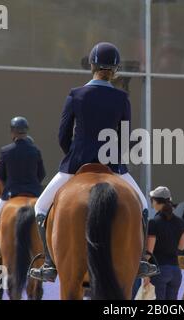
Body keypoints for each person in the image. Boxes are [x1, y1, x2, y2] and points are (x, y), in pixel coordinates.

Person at [29, 42, 157, 282]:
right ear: (115, 70)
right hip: (114, 167)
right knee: (144, 207)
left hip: (76, 164)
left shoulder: (76, 94)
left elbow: (62, 135)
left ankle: (48, 263)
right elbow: (127, 136)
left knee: (40, 208)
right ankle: (140, 260)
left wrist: (75, 157)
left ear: (93, 66)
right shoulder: (121, 98)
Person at [0, 117, 46, 258]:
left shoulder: (6, 151)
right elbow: (42, 174)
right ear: (26, 131)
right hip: (34, 193)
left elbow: (1, 175)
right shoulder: (35, 150)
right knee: (48, 217)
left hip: (12, 193)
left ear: (12, 132)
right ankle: (48, 250)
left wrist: (11, 185)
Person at [144, 186, 184, 300]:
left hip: (159, 271)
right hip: (175, 271)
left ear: (156, 201)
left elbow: (149, 251)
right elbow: (182, 246)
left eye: (152, 200)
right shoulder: (181, 222)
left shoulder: (153, 222)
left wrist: (144, 273)